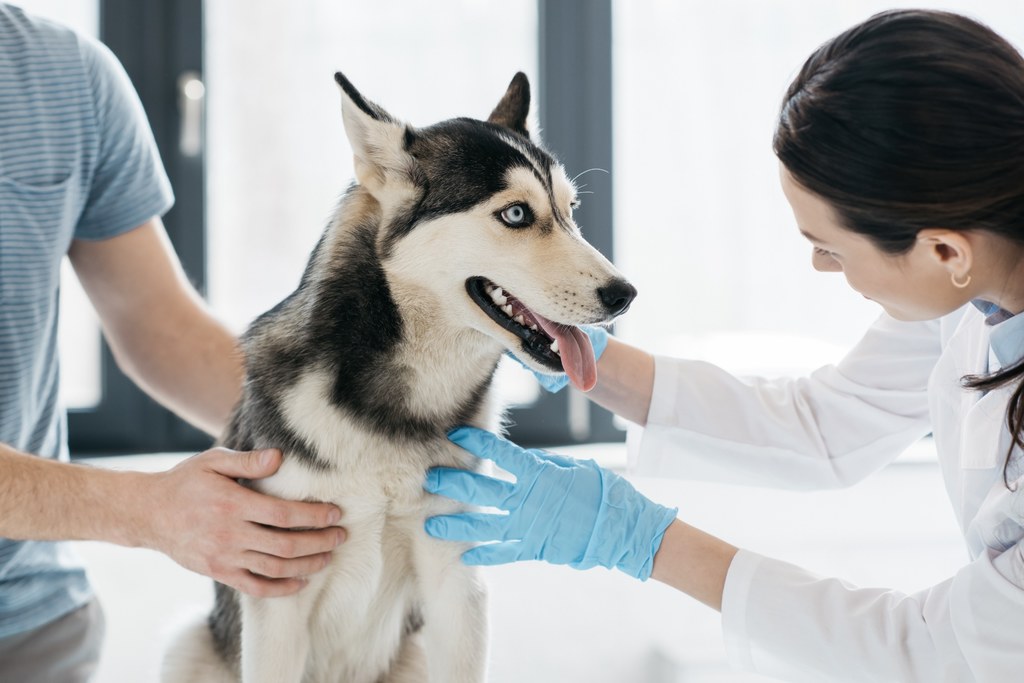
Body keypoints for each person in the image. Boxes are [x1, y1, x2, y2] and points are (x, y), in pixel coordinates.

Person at [424, 9, 1024, 682]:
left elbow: (930, 650)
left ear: (946, 249)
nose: (823, 269)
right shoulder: (975, 294)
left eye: (829, 248)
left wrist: (641, 538)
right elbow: (823, 424)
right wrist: (574, 351)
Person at [0, 5, 345, 680]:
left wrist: (341, 432)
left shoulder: (66, 75)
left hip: (35, 621)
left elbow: (158, 325)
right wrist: (150, 510)